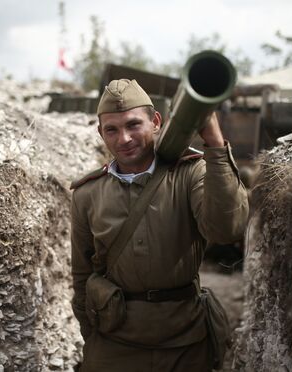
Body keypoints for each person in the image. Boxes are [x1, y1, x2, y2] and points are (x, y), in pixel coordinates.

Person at [70, 78, 249, 371]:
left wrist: (216, 145)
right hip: (115, 344)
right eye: (112, 129)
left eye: (133, 125)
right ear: (101, 133)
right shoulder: (88, 194)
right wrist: (92, 337)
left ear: (155, 121)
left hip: (185, 342)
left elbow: (228, 229)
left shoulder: (190, 174)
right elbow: (81, 274)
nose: (124, 138)